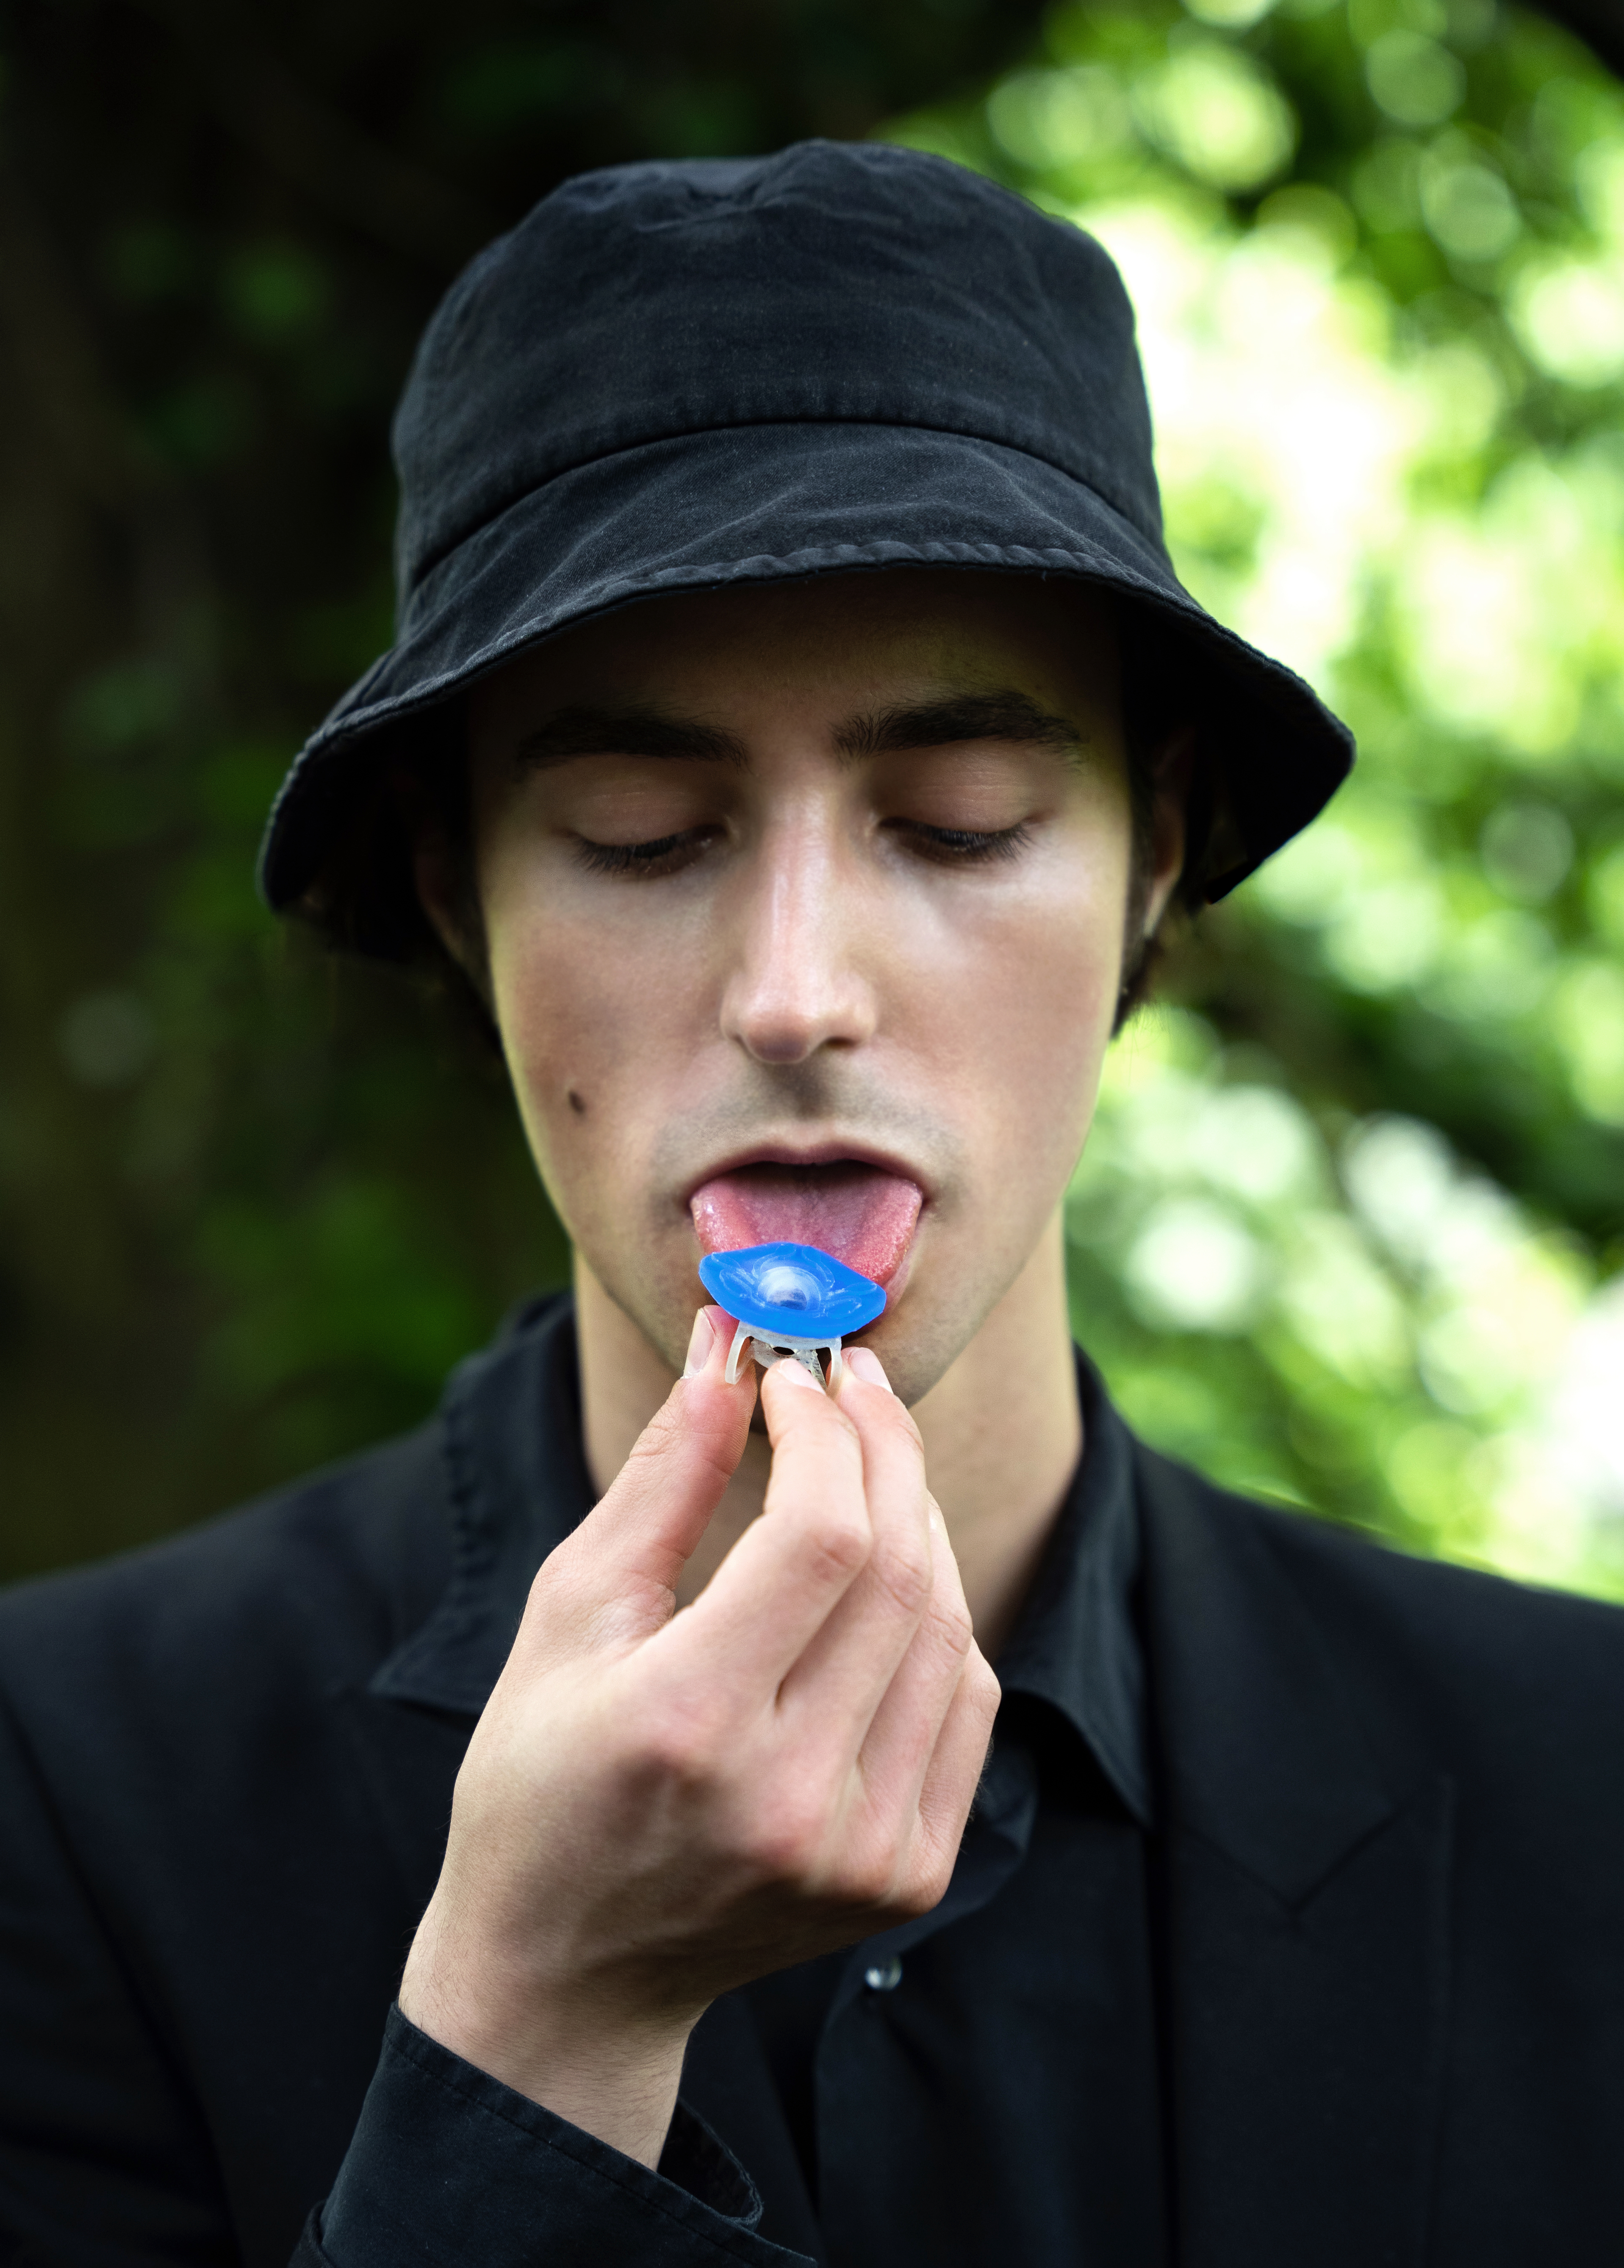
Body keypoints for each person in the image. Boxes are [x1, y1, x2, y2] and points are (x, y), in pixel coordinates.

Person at [2, 141, 1621, 2268]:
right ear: (448, 897)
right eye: (641, 830)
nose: (793, 993)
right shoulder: (61, 1792)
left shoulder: (1580, 1796)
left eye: (953, 826)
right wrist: (533, 2039)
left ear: (1156, 860)